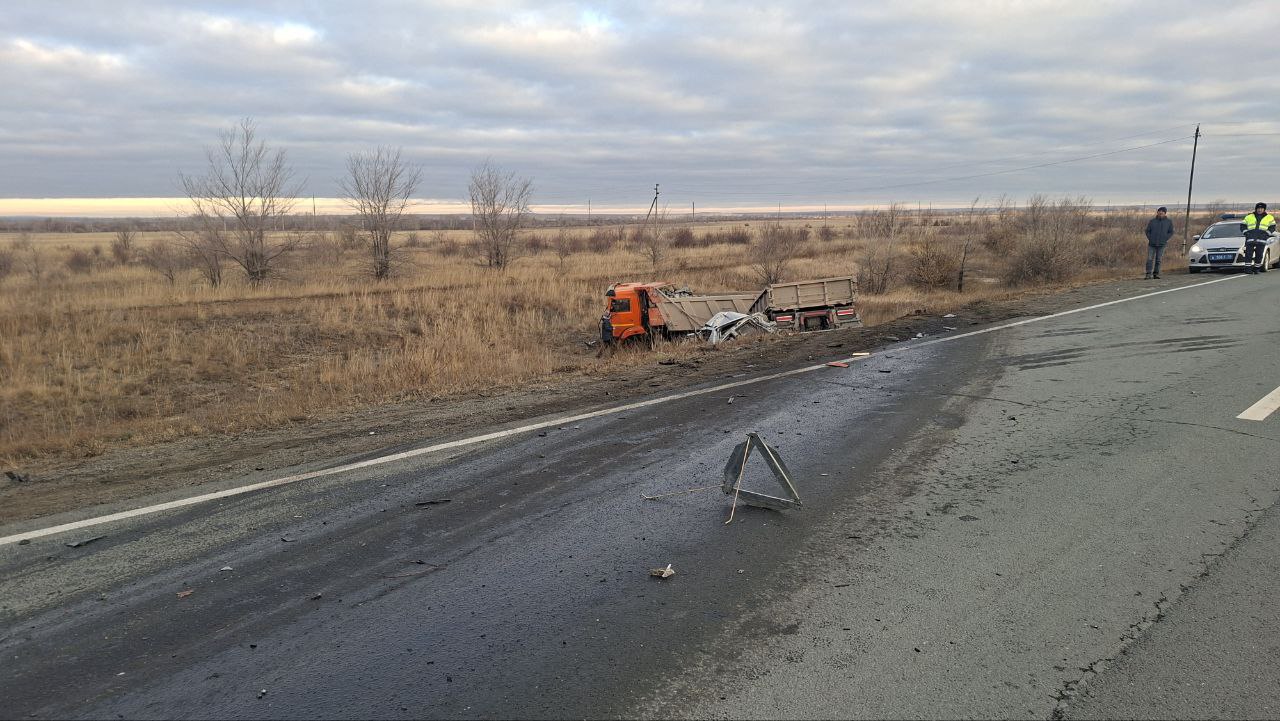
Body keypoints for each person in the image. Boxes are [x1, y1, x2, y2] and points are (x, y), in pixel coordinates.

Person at [1240, 202, 1276, 274]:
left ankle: (1256, 268)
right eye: (1258, 208)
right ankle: (1248, 269)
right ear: (1256, 209)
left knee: (1259, 255)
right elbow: (1243, 226)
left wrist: (1266, 234)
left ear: (1264, 209)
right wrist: (1246, 233)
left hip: (1262, 239)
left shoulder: (1269, 217)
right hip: (1250, 239)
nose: (1260, 210)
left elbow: (1272, 227)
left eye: (1261, 208)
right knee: (1248, 255)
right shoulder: (1249, 217)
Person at [1143, 206, 1175, 279]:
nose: (1160, 213)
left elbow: (1171, 232)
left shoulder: (1168, 222)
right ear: (1157, 212)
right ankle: (1148, 274)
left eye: (1162, 212)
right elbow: (1147, 231)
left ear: (1165, 213)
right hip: (1152, 244)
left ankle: (1156, 274)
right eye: (1159, 211)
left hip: (1162, 244)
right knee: (1149, 259)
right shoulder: (1152, 221)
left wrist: (1165, 238)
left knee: (1158, 260)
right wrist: (1150, 238)